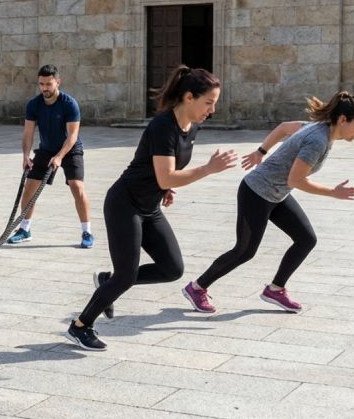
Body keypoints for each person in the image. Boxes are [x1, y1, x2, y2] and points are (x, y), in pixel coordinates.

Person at [66, 66, 238, 351]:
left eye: (214, 103)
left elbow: (165, 172)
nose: (212, 109)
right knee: (127, 275)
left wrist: (165, 188)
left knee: (172, 268)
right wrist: (206, 169)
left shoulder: (191, 127)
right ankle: (81, 325)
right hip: (125, 204)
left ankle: (107, 282)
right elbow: (166, 174)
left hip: (149, 206)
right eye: (209, 102)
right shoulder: (163, 127)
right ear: (188, 97)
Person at [182, 92, 354, 314]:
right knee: (244, 251)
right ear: (342, 120)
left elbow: (283, 128)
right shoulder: (317, 140)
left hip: (277, 194)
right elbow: (296, 180)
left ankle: (275, 289)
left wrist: (261, 151)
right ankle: (197, 287)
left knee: (306, 239)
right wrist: (333, 192)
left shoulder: (318, 127)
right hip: (256, 192)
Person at [7, 64, 94, 248]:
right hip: (46, 150)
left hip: (70, 149)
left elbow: (72, 136)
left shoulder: (69, 104)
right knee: (29, 188)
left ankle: (87, 231)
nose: (45, 88)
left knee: (77, 187)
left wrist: (60, 156)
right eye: (41, 84)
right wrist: (25, 156)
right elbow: (28, 133)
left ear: (57, 82)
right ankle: (24, 229)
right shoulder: (34, 104)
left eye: (49, 84)